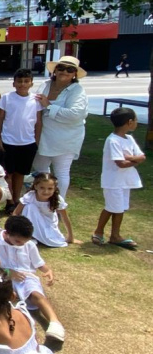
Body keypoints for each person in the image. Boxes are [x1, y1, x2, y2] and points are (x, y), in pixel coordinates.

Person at [0, 216, 65, 342]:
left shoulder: (29, 245)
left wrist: (48, 271)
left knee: (36, 294)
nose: (21, 244)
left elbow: (38, 263)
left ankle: (55, 323)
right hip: (2, 278)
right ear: (6, 233)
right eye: (18, 241)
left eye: (24, 242)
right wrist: (7, 272)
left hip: (25, 277)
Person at [33, 55, 88, 199]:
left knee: (62, 172)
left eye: (69, 69)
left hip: (66, 138)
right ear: (55, 70)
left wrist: (49, 106)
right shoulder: (44, 84)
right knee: (40, 170)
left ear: (74, 74)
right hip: (42, 135)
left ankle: (57, 205)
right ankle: (41, 200)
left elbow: (75, 114)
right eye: (61, 68)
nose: (64, 72)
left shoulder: (77, 90)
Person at [93, 107, 145, 249]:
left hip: (125, 181)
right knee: (111, 207)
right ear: (129, 122)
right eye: (135, 120)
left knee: (119, 208)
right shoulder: (113, 141)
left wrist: (131, 157)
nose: (136, 123)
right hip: (113, 181)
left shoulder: (129, 138)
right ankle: (99, 232)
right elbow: (121, 163)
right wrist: (136, 159)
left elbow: (142, 156)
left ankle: (115, 235)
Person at [0, 68, 43, 210]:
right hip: (8, 141)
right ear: (14, 83)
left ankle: (16, 199)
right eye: (19, 81)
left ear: (31, 83)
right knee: (8, 173)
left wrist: (36, 141)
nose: (23, 84)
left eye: (26, 81)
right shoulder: (7, 98)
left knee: (20, 173)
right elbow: (0, 118)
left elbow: (38, 122)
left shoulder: (36, 100)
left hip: (27, 143)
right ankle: (9, 201)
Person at [12, 172, 77, 248]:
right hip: (30, 224)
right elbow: (16, 213)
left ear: (55, 188)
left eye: (50, 189)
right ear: (36, 186)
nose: (46, 192)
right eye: (42, 188)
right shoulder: (30, 196)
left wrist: (70, 236)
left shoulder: (58, 199)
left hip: (47, 225)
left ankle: (39, 236)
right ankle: (30, 235)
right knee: (30, 207)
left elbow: (65, 217)